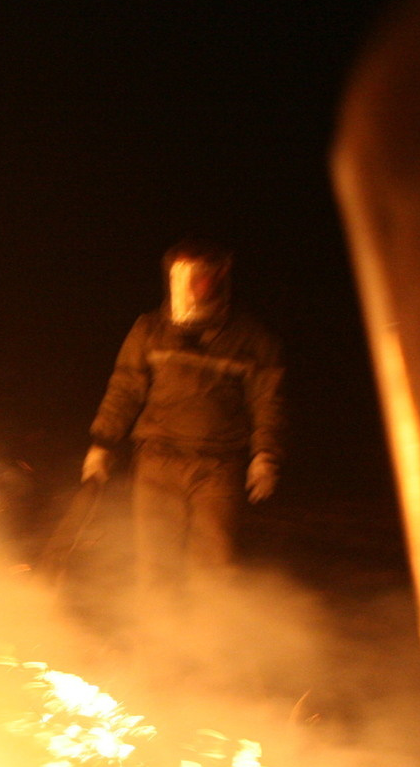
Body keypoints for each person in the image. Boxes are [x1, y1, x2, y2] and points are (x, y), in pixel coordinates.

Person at [82, 241, 283, 607]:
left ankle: (211, 641)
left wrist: (265, 455)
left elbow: (268, 400)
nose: (201, 285)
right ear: (176, 279)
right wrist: (102, 443)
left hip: (218, 467)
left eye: (208, 276)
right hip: (158, 462)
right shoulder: (150, 330)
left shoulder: (250, 338)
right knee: (156, 566)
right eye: (193, 276)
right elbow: (125, 388)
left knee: (214, 569)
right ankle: (160, 639)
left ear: (221, 278)